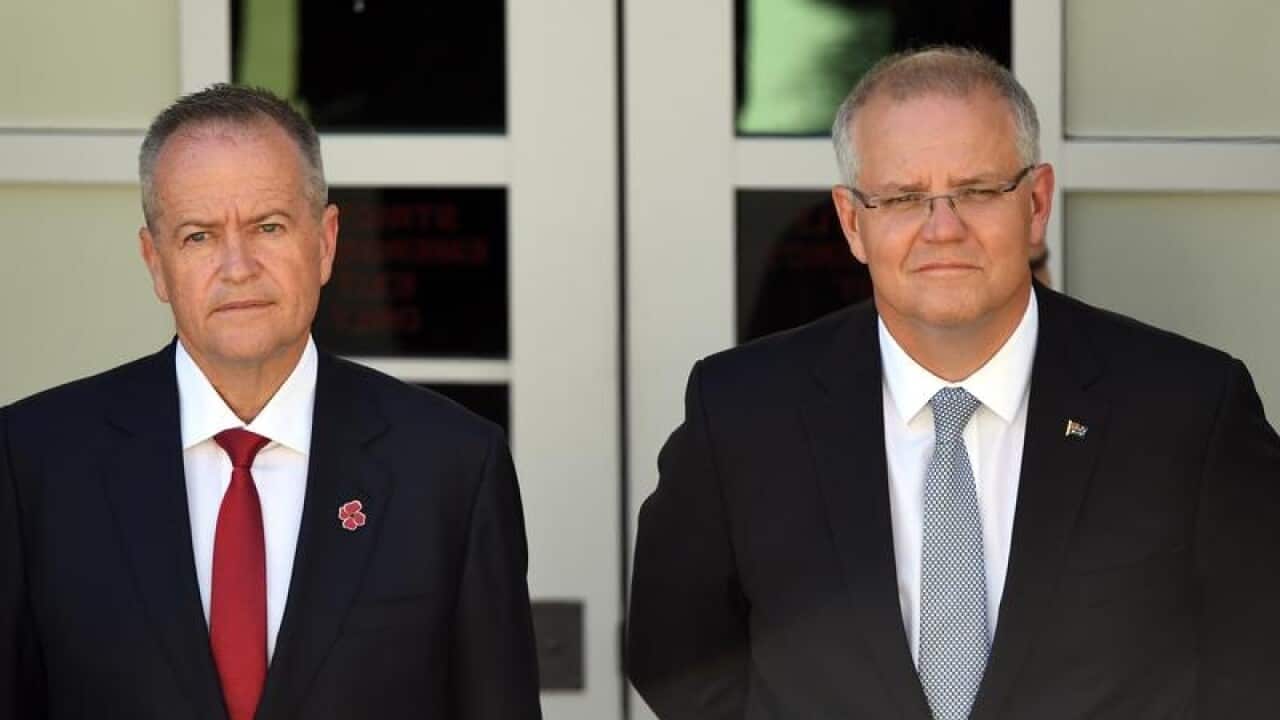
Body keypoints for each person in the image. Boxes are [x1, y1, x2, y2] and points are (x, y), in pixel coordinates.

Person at [627, 47, 1280, 719]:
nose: (943, 229)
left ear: (1036, 203)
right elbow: (675, 655)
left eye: (977, 191)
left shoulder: (1191, 410)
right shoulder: (740, 413)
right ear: (853, 222)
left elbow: (1261, 664)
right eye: (903, 198)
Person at [0, 85, 541, 719]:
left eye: (268, 227)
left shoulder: (452, 467)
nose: (238, 266)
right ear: (155, 262)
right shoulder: (34, 462)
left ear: (326, 242)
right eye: (199, 236)